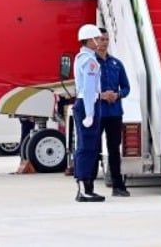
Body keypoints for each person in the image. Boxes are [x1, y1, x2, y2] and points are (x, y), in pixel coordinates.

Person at [95, 27, 132, 197]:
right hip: (97, 112)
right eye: (100, 39)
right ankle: (88, 186)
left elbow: (126, 87)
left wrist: (117, 95)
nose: (103, 43)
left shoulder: (116, 63)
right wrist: (101, 95)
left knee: (114, 149)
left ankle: (118, 185)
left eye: (106, 39)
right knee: (92, 148)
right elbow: (84, 88)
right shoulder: (90, 63)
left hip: (115, 112)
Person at [74, 23, 104, 202]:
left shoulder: (82, 58)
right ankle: (86, 189)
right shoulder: (90, 61)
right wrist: (90, 113)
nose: (100, 41)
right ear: (89, 40)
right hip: (88, 103)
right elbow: (89, 87)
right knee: (88, 147)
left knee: (86, 146)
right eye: (98, 38)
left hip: (85, 102)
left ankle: (85, 187)